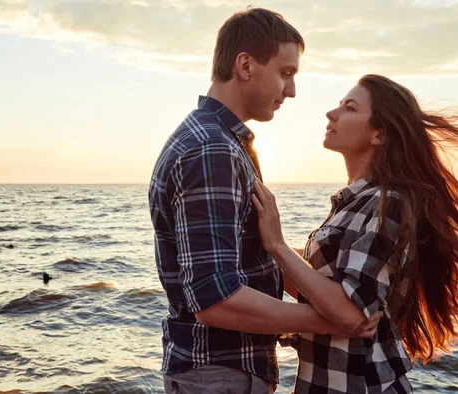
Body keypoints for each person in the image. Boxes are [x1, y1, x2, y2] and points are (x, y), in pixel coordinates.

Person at [251, 74, 458, 393]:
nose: (331, 114)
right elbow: (321, 292)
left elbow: (350, 313)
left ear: (379, 133)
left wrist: (277, 245)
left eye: (349, 108)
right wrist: (258, 241)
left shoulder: (386, 204)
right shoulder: (355, 203)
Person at [148, 9, 381, 394]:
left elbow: (247, 260)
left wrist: (335, 303)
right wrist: (327, 321)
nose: (291, 91)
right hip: (218, 375)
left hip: (221, 372)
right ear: (245, 65)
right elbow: (215, 300)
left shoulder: (223, 142)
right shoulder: (212, 150)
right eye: (286, 73)